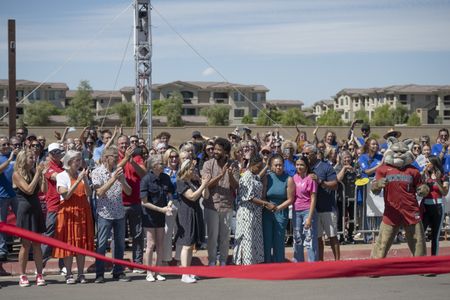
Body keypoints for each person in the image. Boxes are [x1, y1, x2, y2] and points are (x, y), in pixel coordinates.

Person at [371, 137, 429, 259]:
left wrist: (424, 189)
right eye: (396, 151)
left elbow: (421, 187)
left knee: (418, 242)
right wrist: (377, 184)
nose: (398, 154)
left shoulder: (413, 171)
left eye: (402, 152)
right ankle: (374, 266)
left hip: (411, 210)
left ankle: (422, 266)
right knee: (382, 242)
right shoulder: (383, 169)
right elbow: (374, 189)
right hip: (391, 211)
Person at [91, 146, 132, 283]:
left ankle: (118, 271)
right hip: (104, 214)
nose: (116, 158)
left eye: (117, 156)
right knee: (102, 244)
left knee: (120, 244)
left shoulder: (119, 171)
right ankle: (99, 273)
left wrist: (121, 180)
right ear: (105, 158)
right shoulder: (97, 172)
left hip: (119, 213)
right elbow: (99, 192)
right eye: (113, 156)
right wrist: (113, 179)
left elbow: (129, 192)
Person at [54, 150, 94, 284]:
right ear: (70, 162)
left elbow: (88, 193)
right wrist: (78, 181)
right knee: (69, 244)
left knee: (81, 244)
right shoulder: (61, 176)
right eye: (77, 160)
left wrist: (85, 180)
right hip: (68, 213)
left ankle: (81, 273)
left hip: (82, 212)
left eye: (80, 160)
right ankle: (69, 273)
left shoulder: (81, 174)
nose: (80, 162)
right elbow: (66, 195)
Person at [201, 138, 239, 266]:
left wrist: (230, 175)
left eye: (218, 150)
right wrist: (221, 175)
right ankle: (212, 260)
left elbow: (235, 186)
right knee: (212, 237)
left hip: (227, 205)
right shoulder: (208, 164)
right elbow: (206, 185)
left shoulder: (233, 164)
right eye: (214, 149)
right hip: (211, 206)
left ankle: (223, 260)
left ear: (226, 152)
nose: (215, 151)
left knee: (225, 237)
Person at [13, 149, 47, 287]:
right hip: (24, 211)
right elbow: (28, 190)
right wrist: (38, 173)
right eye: (31, 158)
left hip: (36, 209)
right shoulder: (16, 174)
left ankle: (39, 274)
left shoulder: (34, 172)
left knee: (37, 244)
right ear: (23, 159)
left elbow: (42, 190)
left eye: (34, 157)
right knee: (25, 245)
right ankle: (23, 275)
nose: (34, 160)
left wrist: (42, 176)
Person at [233, 154, 275, 265]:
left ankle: (253, 263)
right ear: (252, 165)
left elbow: (258, 177)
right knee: (247, 239)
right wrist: (266, 204)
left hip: (255, 213)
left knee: (254, 239)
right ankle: (246, 263)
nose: (260, 169)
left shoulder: (253, 175)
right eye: (258, 167)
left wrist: (267, 165)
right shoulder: (246, 176)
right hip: (247, 213)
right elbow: (249, 197)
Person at [302, 144, 340, 261]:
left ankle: (338, 261)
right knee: (317, 238)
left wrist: (320, 181)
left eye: (307, 153)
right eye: (304, 153)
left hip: (328, 207)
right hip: (313, 209)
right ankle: (320, 261)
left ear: (315, 153)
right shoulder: (305, 167)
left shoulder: (325, 167)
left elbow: (334, 184)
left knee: (332, 236)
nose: (305, 156)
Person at [140, 155, 175, 282]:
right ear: (154, 165)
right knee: (151, 244)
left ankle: (158, 270)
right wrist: (162, 209)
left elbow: (170, 193)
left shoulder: (165, 177)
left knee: (160, 243)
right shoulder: (146, 179)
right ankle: (149, 272)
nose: (163, 164)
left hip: (162, 214)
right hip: (149, 215)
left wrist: (170, 203)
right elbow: (144, 202)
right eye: (161, 163)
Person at [175, 159, 210, 283]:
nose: (194, 171)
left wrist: (203, 183)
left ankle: (188, 271)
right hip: (186, 213)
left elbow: (205, 196)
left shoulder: (194, 181)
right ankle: (184, 274)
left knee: (191, 245)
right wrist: (202, 185)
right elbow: (192, 196)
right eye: (191, 169)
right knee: (187, 243)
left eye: (194, 169)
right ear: (185, 170)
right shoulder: (181, 182)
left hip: (196, 212)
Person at [117, 135, 146, 271]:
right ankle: (118, 263)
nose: (124, 146)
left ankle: (137, 263)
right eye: (121, 144)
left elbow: (143, 174)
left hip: (135, 202)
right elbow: (115, 169)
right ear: (118, 145)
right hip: (119, 203)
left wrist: (132, 161)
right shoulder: (114, 156)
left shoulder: (137, 157)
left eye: (126, 143)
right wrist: (125, 159)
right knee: (119, 236)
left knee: (138, 235)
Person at [262, 154, 294, 263]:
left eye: (280, 165)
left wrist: (278, 208)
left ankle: (279, 264)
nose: (278, 167)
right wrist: (267, 205)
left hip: (281, 212)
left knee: (279, 241)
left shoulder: (288, 179)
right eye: (276, 165)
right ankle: (267, 263)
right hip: (267, 212)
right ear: (271, 166)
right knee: (267, 240)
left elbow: (290, 199)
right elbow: (263, 196)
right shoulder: (267, 177)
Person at [41, 143, 65, 273]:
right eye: (55, 152)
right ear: (50, 154)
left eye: (59, 151)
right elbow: (58, 177)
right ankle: (41, 266)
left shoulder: (62, 166)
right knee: (48, 236)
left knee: (64, 236)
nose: (58, 154)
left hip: (65, 205)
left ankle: (63, 266)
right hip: (53, 206)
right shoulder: (48, 167)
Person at [292, 155, 318, 262]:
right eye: (297, 165)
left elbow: (313, 198)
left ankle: (312, 263)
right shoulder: (293, 178)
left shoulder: (311, 179)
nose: (299, 167)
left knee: (309, 239)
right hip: (296, 211)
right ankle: (299, 262)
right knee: (297, 238)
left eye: (302, 165)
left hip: (308, 211)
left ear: (306, 166)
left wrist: (309, 217)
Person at [421, 156, 449, 256]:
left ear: (434, 163)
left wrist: (437, 180)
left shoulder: (443, 176)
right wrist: (423, 174)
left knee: (435, 236)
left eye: (428, 162)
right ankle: (421, 256)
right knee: (421, 234)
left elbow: (445, 192)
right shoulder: (425, 174)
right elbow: (419, 187)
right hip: (425, 208)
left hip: (438, 207)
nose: (426, 164)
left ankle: (434, 258)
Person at [0, 136, 19, 262]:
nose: (7, 146)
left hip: (16, 195)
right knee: (2, 224)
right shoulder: (5, 158)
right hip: (1, 196)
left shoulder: (15, 157)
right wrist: (10, 159)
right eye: (4, 144)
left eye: (8, 144)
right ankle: (2, 250)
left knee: (22, 221)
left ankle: (26, 248)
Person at [162, 148, 182, 265]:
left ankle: (179, 258)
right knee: (167, 231)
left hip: (182, 202)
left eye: (176, 156)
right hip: (169, 203)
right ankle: (166, 258)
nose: (174, 159)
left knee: (181, 231)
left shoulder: (181, 171)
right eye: (171, 157)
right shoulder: (164, 171)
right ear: (167, 158)